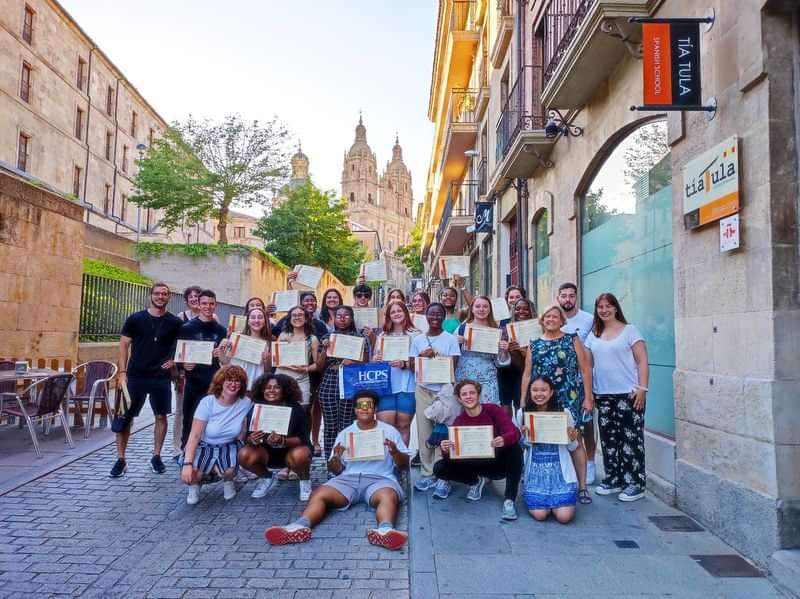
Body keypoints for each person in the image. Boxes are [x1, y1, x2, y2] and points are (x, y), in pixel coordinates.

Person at [264, 391, 409, 550]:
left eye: (369, 405)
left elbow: (403, 465)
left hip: (380, 479)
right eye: (360, 405)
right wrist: (336, 458)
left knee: (388, 496)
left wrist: (395, 452)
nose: (365, 408)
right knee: (320, 493)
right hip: (348, 479)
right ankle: (299, 526)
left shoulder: (389, 431)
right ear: (355, 409)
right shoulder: (345, 433)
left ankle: (385, 530)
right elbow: (335, 470)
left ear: (375, 409)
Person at [521, 304, 594, 505]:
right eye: (547, 316)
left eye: (555, 316)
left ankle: (582, 487)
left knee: (574, 440)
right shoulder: (534, 344)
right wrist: (522, 400)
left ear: (561, 320)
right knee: (541, 439)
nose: (551, 319)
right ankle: (546, 483)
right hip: (542, 397)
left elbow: (585, 369)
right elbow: (527, 374)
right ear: (542, 320)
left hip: (569, 396)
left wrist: (588, 397)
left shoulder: (572, 339)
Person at [110, 282, 183, 478]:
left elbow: (184, 345)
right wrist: (122, 372)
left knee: (161, 416)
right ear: (151, 296)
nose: (160, 297)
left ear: (169, 298)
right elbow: (124, 345)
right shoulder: (136, 318)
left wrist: (174, 360)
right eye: (157, 293)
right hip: (134, 375)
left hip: (160, 377)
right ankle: (121, 459)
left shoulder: (175, 322)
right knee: (125, 417)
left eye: (164, 294)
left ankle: (156, 456)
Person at [584, 293, 649, 502]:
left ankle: (635, 483)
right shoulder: (594, 334)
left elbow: (642, 361)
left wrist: (642, 388)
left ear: (615, 308)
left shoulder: (630, 330)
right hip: (603, 394)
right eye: (600, 307)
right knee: (609, 439)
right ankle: (613, 478)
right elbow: (588, 365)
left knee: (631, 439)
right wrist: (589, 394)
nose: (604, 310)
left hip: (628, 394)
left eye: (608, 306)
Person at [435, 380, 522, 521]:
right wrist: (446, 449)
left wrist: (504, 439)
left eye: (472, 393)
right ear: (459, 398)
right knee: (439, 468)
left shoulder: (493, 410)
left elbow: (514, 432)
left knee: (515, 449)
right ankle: (475, 481)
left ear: (479, 395)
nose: (469, 397)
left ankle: (509, 500)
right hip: (473, 464)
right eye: (464, 394)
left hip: (496, 463)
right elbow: (452, 458)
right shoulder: (459, 421)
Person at [180, 365, 252, 504]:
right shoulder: (207, 402)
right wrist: (187, 464)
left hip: (229, 445)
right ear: (220, 382)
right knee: (196, 473)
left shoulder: (245, 403)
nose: (233, 384)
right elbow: (194, 435)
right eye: (229, 380)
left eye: (237, 381)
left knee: (228, 471)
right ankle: (195, 485)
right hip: (205, 445)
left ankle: (228, 481)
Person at [238, 373, 313, 501]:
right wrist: (252, 440)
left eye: (277, 387)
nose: (272, 390)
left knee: (301, 455)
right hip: (266, 453)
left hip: (290, 452)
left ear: (284, 390)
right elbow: (247, 438)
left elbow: (303, 439)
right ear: (262, 390)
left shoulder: (296, 408)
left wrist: (282, 440)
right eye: (268, 387)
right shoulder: (256, 407)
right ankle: (266, 477)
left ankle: (305, 481)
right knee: (244, 454)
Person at [411, 302, 461, 493]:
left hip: (444, 391)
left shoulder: (450, 339)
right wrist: (422, 357)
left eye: (439, 313)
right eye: (431, 313)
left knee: (442, 432)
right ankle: (427, 473)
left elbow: (453, 367)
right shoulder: (418, 340)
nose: (435, 317)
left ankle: (442, 473)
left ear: (443, 316)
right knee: (424, 432)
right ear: (426, 315)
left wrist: (437, 356)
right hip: (423, 389)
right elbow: (410, 366)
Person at [516, 376, 579, 523]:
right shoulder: (523, 414)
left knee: (564, 517)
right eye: (535, 390)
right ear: (529, 392)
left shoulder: (564, 413)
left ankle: (560, 502)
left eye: (544, 390)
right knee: (540, 515)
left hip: (560, 474)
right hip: (535, 474)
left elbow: (573, 447)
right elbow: (520, 447)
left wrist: (572, 438)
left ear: (551, 392)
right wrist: (523, 436)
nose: (539, 394)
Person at [557, 282, 598, 484]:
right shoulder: (555, 320)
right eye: (564, 295)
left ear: (576, 298)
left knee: (587, 424)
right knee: (566, 424)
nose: (567, 299)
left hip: (583, 381)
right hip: (560, 383)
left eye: (571, 295)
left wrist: (590, 393)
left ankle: (590, 462)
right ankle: (571, 464)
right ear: (558, 298)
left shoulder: (589, 320)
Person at [178, 289, 228, 449]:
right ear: (198, 305)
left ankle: (210, 456)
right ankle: (187, 454)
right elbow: (176, 354)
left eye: (211, 304)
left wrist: (220, 353)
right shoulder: (187, 328)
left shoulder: (221, 330)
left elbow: (225, 360)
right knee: (190, 418)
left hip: (214, 381)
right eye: (204, 303)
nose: (208, 306)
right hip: (193, 382)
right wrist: (183, 364)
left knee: (213, 419)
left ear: (216, 306)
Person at [317, 305, 368, 458]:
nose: (342, 318)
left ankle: (346, 461)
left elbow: (366, 363)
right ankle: (331, 461)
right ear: (334, 318)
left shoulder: (359, 338)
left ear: (352, 318)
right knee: (330, 426)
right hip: (330, 381)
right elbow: (319, 366)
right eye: (339, 316)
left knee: (347, 423)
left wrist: (353, 362)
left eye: (346, 315)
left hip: (350, 382)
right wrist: (325, 349)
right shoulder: (327, 338)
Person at [372, 300, 417, 444]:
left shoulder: (416, 335)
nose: (396, 314)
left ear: (405, 312)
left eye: (399, 311)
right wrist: (376, 359)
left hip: (408, 386)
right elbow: (374, 362)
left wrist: (405, 364)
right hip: (386, 387)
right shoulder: (382, 336)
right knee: (386, 427)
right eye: (393, 312)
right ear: (388, 316)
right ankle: (388, 464)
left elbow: (421, 364)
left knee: (403, 426)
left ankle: (402, 463)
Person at [454, 296, 510, 405]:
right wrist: (455, 342)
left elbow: (500, 362)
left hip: (487, 379)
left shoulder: (496, 331)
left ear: (490, 310)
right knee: (466, 413)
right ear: (472, 309)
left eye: (485, 306)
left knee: (488, 411)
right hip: (465, 378)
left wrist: (504, 351)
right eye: (478, 306)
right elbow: (449, 353)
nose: (481, 309)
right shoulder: (462, 328)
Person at [172, 285, 202, 459]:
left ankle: (197, 445)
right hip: (185, 372)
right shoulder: (180, 318)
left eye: (197, 296)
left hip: (203, 370)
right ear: (186, 300)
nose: (194, 299)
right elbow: (176, 344)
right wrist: (181, 365)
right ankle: (177, 447)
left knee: (200, 409)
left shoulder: (211, 317)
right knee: (181, 410)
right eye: (191, 297)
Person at [274, 306, 320, 407]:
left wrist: (306, 369)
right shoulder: (282, 335)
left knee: (300, 413)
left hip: (301, 380)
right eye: (294, 315)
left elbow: (317, 364)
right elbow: (275, 359)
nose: (297, 317)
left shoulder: (312, 339)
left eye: (300, 315)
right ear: (290, 319)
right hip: (281, 379)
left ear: (306, 318)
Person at [498, 298, 536, 416]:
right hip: (507, 372)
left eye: (526, 309)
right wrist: (504, 348)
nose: (521, 312)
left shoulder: (538, 329)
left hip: (526, 372)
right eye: (518, 309)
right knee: (505, 407)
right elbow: (499, 357)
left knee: (523, 406)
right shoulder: (505, 329)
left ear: (531, 311)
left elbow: (539, 356)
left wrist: (521, 349)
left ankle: (523, 433)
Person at [219, 306, 272, 391]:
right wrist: (221, 349)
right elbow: (224, 362)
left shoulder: (269, 343)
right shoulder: (237, 338)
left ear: (265, 321)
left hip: (254, 388)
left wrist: (267, 361)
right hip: (235, 386)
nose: (256, 320)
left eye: (260, 317)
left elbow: (267, 371)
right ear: (248, 321)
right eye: (253, 317)